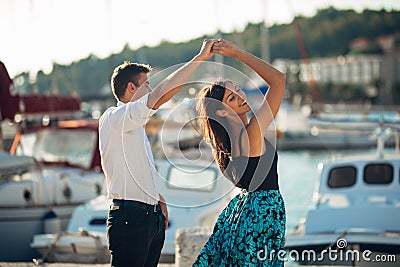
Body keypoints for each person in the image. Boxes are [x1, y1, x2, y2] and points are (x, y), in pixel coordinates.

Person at [99, 39, 216, 267]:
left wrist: (157, 199)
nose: (151, 90)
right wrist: (199, 58)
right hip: (129, 219)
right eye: (147, 85)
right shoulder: (115, 118)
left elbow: (137, 170)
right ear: (131, 88)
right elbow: (163, 93)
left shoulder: (135, 125)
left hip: (149, 216)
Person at [193, 39, 287, 266]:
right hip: (262, 214)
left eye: (238, 90)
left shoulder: (225, 147)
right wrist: (237, 53)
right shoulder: (250, 134)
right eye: (232, 98)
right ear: (223, 112)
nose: (242, 96)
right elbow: (279, 80)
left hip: (245, 212)